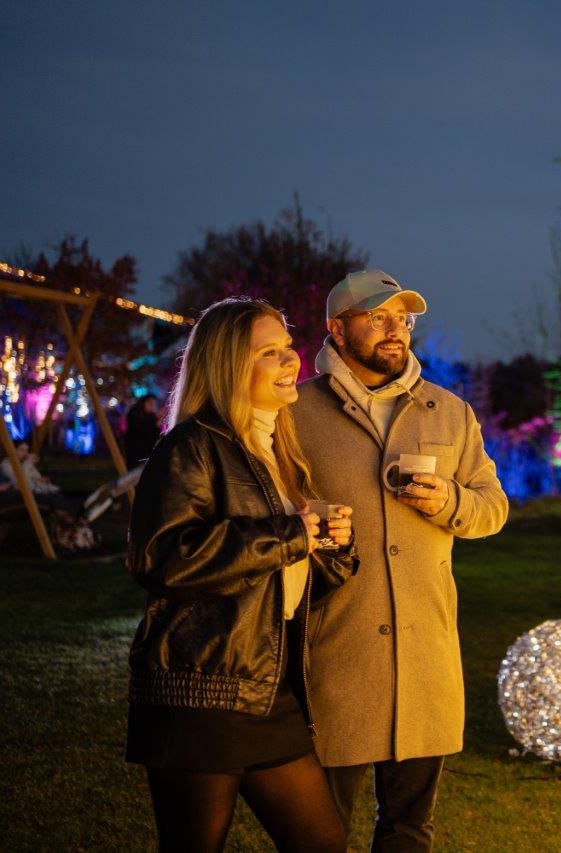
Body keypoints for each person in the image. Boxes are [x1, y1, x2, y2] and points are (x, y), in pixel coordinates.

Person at [124, 297, 358, 851]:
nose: (291, 361)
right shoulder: (192, 445)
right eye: (270, 352)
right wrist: (293, 534)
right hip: (202, 687)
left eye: (288, 347)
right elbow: (162, 557)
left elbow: (276, 575)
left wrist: (327, 546)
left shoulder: (274, 448)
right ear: (230, 364)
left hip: (264, 691)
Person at [292, 269, 508, 850]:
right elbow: (266, 505)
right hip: (337, 654)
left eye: (403, 318)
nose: (396, 330)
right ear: (338, 328)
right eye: (378, 316)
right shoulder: (294, 412)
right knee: (320, 832)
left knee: (410, 830)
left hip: (426, 661)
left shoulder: (450, 412)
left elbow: (493, 508)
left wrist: (452, 502)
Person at [0, 436, 82, 515]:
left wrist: (11, 485)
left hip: (9, 492)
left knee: (41, 494)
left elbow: (9, 481)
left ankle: (79, 504)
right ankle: (77, 508)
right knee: (35, 497)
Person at [124, 393, 163, 468]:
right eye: (150, 403)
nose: (152, 406)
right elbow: (140, 430)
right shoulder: (134, 413)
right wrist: (155, 425)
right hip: (135, 450)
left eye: (153, 404)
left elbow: (155, 433)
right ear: (144, 402)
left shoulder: (151, 416)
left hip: (148, 451)